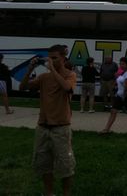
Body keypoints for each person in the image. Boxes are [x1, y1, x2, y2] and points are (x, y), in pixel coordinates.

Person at [19, 44, 77, 196]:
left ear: (63, 58)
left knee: (65, 166)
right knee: (44, 164)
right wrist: (30, 70)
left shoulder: (70, 75)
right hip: (43, 127)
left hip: (61, 128)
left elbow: (67, 88)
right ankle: (49, 193)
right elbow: (22, 87)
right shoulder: (44, 77)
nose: (51, 60)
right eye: (49, 58)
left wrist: (52, 69)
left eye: (54, 58)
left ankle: (66, 193)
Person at [100, 57, 127, 134]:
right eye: (120, 63)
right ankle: (107, 129)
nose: (121, 65)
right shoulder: (123, 72)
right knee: (113, 111)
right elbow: (119, 82)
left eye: (123, 64)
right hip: (120, 95)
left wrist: (124, 95)